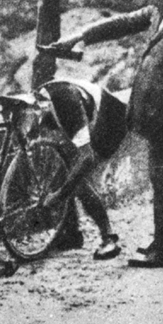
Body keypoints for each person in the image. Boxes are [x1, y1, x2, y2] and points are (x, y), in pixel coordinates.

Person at [49, 0, 163, 268]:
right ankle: (161, 242)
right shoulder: (161, 12)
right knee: (160, 179)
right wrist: (80, 35)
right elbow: (121, 23)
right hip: (155, 115)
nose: (151, 2)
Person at [38, 78, 127, 260]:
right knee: (64, 166)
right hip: (86, 111)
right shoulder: (42, 99)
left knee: (78, 177)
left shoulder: (65, 103)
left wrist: (58, 196)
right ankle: (72, 234)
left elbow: (87, 157)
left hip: (111, 119)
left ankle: (109, 238)